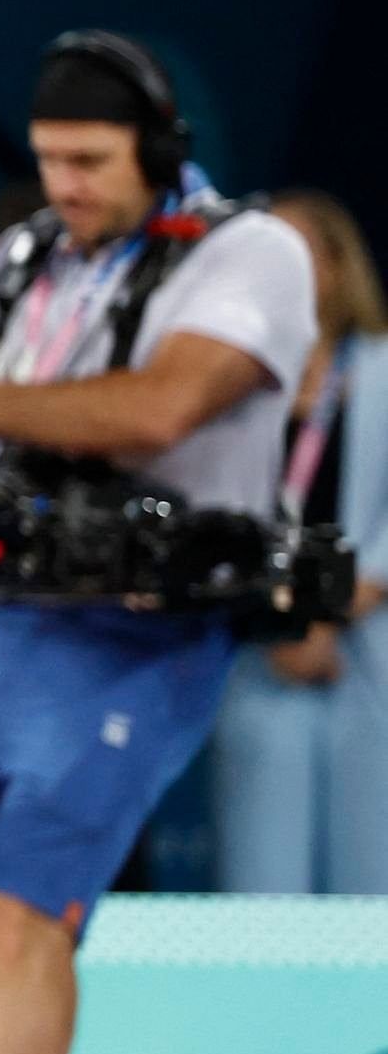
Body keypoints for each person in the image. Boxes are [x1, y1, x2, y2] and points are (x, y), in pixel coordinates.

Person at [0, 32, 319, 1054]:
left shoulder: (252, 253)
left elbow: (157, 408)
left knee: (22, 907)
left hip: (137, 634)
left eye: (88, 161)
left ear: (158, 151)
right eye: (47, 159)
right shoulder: (23, 256)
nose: (62, 185)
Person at [207, 188, 388, 893]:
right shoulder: (229, 379)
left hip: (367, 645)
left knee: (373, 879)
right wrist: (278, 612)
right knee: (261, 879)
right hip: (262, 649)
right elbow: (211, 503)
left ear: (339, 267)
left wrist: (342, 599)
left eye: (295, 251)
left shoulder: (379, 368)